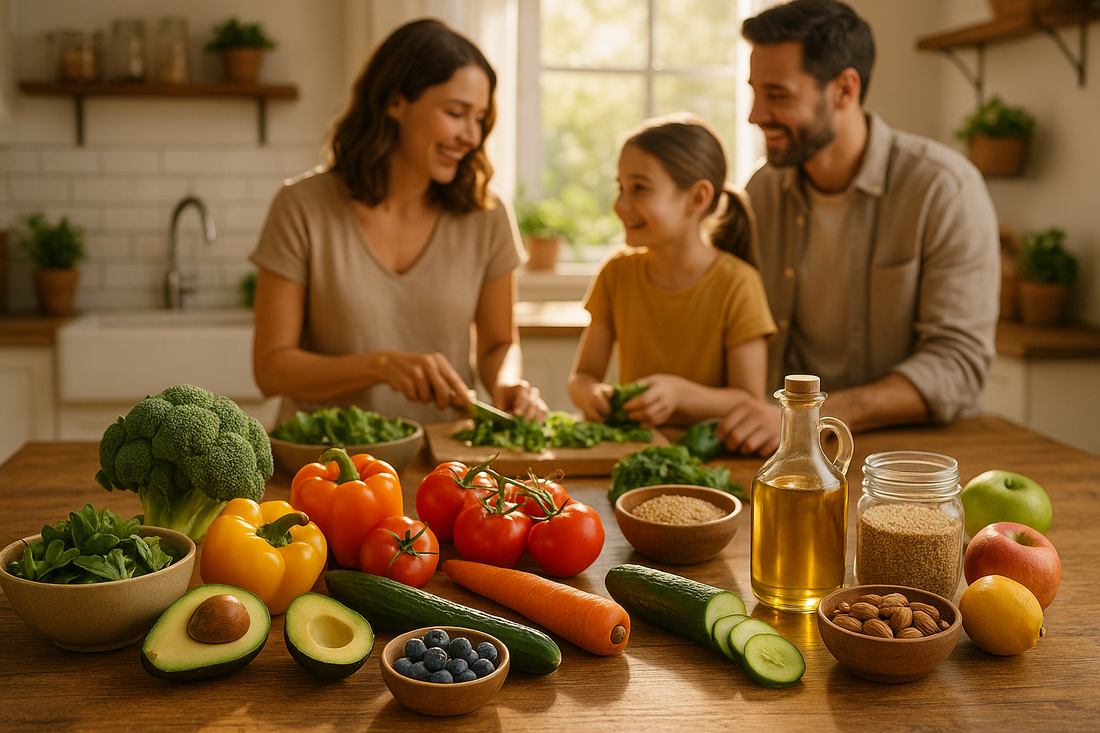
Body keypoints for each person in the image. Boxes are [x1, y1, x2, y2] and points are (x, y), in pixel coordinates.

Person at [717, 0, 1000, 456]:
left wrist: (808, 418)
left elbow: (956, 365)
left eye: (778, 95)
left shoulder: (943, 188)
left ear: (844, 90)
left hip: (911, 461)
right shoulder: (763, 191)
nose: (755, 114)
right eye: (755, 92)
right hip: (784, 453)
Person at [250, 18, 546, 427]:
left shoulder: (487, 214)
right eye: (456, 113)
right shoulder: (301, 207)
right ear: (395, 102)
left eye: (479, 118)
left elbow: (498, 345)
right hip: (325, 464)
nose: (471, 136)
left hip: (447, 465)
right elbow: (271, 369)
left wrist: (509, 383)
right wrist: (381, 366)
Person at [568, 113, 777, 429]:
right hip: (635, 451)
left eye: (639, 188)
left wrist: (679, 394)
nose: (620, 204)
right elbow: (582, 377)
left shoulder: (738, 283)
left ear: (696, 198)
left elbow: (749, 401)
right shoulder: (616, 272)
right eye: (620, 187)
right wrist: (591, 395)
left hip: (712, 463)